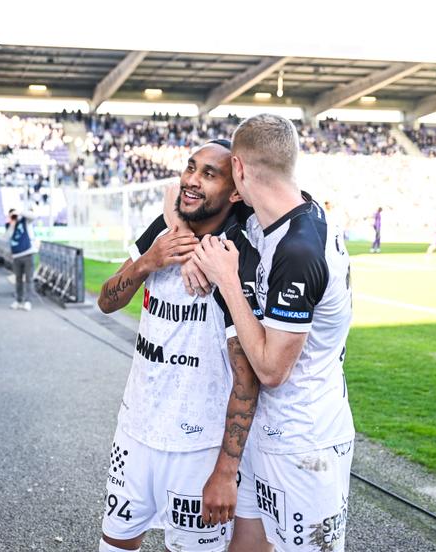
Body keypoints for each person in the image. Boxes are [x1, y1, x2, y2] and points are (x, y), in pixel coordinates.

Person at [190, 114, 354, 552]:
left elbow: (271, 369)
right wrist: (204, 253)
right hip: (268, 434)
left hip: (306, 446)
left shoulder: (298, 250)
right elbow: (206, 214)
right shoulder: (284, 217)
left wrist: (226, 279)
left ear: (239, 170)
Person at [96, 140, 259, 552]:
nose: (191, 180)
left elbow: (247, 376)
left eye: (209, 174)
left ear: (236, 190)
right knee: (113, 545)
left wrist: (225, 471)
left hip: (197, 447)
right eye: (190, 168)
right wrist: (149, 260)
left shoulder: (234, 256)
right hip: (135, 431)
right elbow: (107, 301)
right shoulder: (162, 230)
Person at [6, 208, 36, 311]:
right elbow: (7, 237)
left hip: (28, 253)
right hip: (16, 256)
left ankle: (28, 301)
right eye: (11, 215)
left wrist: (20, 212)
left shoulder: (26, 221)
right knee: (18, 280)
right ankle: (18, 300)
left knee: (29, 279)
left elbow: (33, 216)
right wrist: (12, 224)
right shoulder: (10, 225)